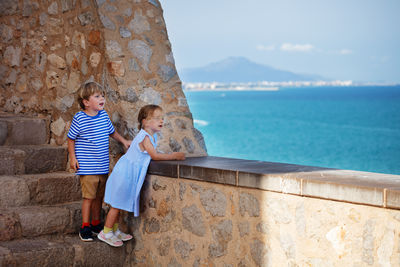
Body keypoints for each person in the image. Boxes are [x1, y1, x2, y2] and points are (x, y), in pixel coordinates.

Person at [98, 104, 185, 247]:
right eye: (156, 118)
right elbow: (155, 156)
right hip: (124, 174)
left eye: (162, 118)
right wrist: (174, 156)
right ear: (144, 122)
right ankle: (106, 232)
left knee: (119, 204)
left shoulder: (149, 136)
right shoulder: (145, 138)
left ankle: (114, 229)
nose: (161, 121)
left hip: (127, 173)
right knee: (116, 205)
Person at [67, 82, 131, 242]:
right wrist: (73, 157)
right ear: (86, 102)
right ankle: (85, 227)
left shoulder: (104, 116)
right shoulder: (79, 118)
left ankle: (96, 225)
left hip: (102, 166)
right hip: (87, 167)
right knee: (88, 198)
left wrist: (124, 141)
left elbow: (112, 133)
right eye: (97, 96)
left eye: (102, 95)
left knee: (98, 197)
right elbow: (71, 138)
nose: (102, 98)